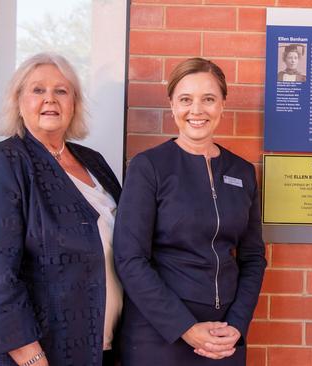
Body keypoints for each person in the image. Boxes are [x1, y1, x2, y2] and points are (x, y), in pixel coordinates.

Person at [0, 52, 122, 366]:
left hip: (99, 347)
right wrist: (29, 356)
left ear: (74, 103)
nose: (50, 99)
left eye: (61, 91)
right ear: (18, 101)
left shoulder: (93, 161)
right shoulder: (1, 162)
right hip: (39, 353)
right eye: (38, 90)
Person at [114, 57, 266, 365]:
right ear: (172, 105)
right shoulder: (149, 167)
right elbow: (129, 259)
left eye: (208, 99)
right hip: (159, 334)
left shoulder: (243, 172)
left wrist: (237, 324)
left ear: (223, 104)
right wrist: (184, 327)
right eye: (186, 99)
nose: (196, 110)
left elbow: (253, 258)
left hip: (224, 336)